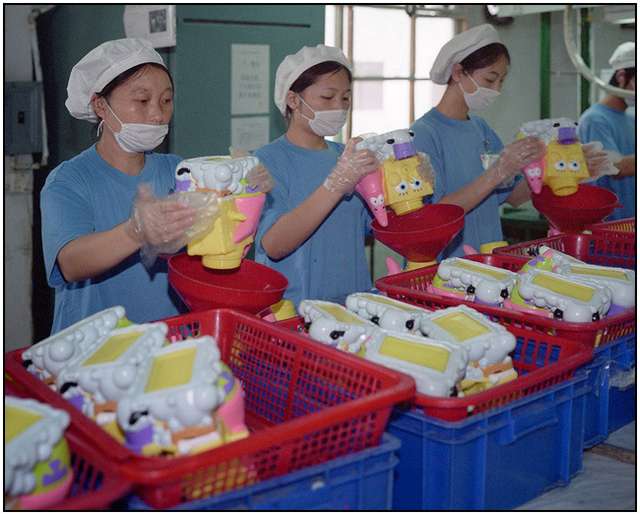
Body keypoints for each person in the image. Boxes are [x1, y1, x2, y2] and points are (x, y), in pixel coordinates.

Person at [41, 38, 197, 333]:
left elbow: (209, 243)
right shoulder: (69, 180)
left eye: (166, 100)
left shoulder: (177, 170)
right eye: (142, 100)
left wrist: (244, 194)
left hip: (169, 340)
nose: (157, 114)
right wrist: (135, 231)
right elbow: (70, 263)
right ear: (101, 105)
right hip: (94, 350)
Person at [254, 45, 379, 306]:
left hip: (354, 306)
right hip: (297, 312)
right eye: (327, 97)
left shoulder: (346, 156)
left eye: (345, 98)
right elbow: (274, 245)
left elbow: (378, 225)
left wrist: (404, 186)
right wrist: (335, 184)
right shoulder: (266, 161)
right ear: (293, 100)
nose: (339, 107)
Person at [411, 24, 546, 257]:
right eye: (490, 79)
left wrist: (550, 167)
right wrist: (499, 171)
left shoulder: (481, 129)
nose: (496, 90)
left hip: (489, 262)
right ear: (457, 72)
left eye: (501, 81)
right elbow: (434, 213)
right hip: (447, 268)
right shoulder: (424, 134)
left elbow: (513, 196)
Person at [579, 41, 636, 220]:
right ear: (621, 76)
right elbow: (615, 167)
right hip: (607, 231)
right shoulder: (595, 120)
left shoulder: (631, 119)